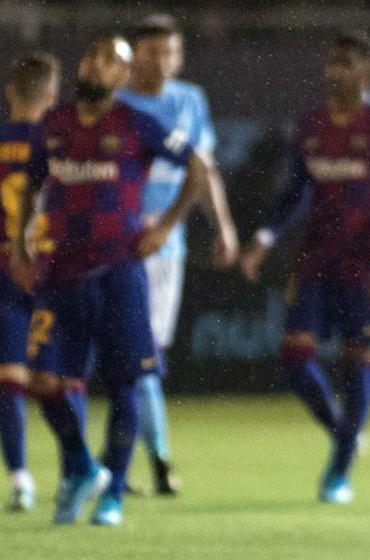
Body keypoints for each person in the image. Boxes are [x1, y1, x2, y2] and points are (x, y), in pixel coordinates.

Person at [11, 36, 208, 527]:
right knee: (40, 380)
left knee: (124, 385)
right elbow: (33, 180)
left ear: (123, 79)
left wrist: (163, 227)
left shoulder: (137, 123)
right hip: (59, 274)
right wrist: (19, 241)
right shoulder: (53, 124)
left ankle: (114, 493)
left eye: (112, 62)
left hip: (119, 273)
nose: (98, 66)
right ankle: (81, 465)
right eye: (92, 56)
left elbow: (198, 168)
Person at [239, 30, 370, 505]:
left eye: (345, 63)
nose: (334, 71)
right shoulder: (312, 124)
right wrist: (263, 239)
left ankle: (338, 471)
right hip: (316, 257)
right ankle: (345, 432)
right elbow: (297, 191)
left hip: (365, 263)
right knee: (295, 356)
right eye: (330, 62)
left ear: (366, 70)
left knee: (357, 359)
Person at [117, 13, 240, 496]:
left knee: (142, 358)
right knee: (130, 357)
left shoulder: (190, 100)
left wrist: (223, 225)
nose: (163, 62)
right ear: (135, 57)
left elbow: (202, 169)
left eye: (171, 52)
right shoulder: (117, 105)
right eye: (153, 52)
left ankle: (134, 464)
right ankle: (153, 463)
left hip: (165, 251)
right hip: (116, 246)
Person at [0, 52, 61, 512]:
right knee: (57, 380)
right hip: (52, 274)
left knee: (9, 377)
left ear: (9, 92)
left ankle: (19, 479)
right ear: (52, 95)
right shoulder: (61, 143)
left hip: (4, 270)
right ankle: (73, 469)